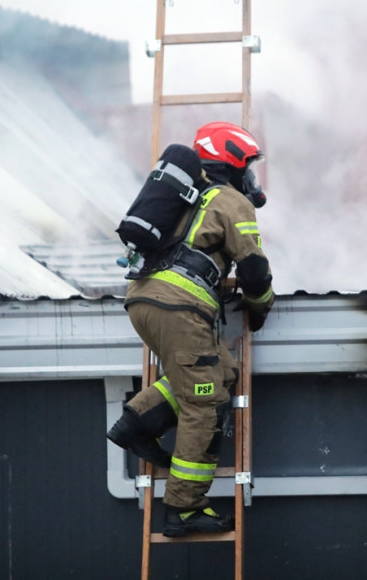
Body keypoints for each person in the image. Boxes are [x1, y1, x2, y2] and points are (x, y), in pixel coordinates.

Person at [107, 121, 275, 537]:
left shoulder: (185, 195)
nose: (251, 176)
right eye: (248, 166)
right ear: (232, 164)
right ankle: (183, 508)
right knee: (206, 403)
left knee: (220, 371)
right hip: (179, 307)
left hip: (144, 299)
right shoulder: (232, 201)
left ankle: (137, 423)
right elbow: (254, 269)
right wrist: (260, 308)